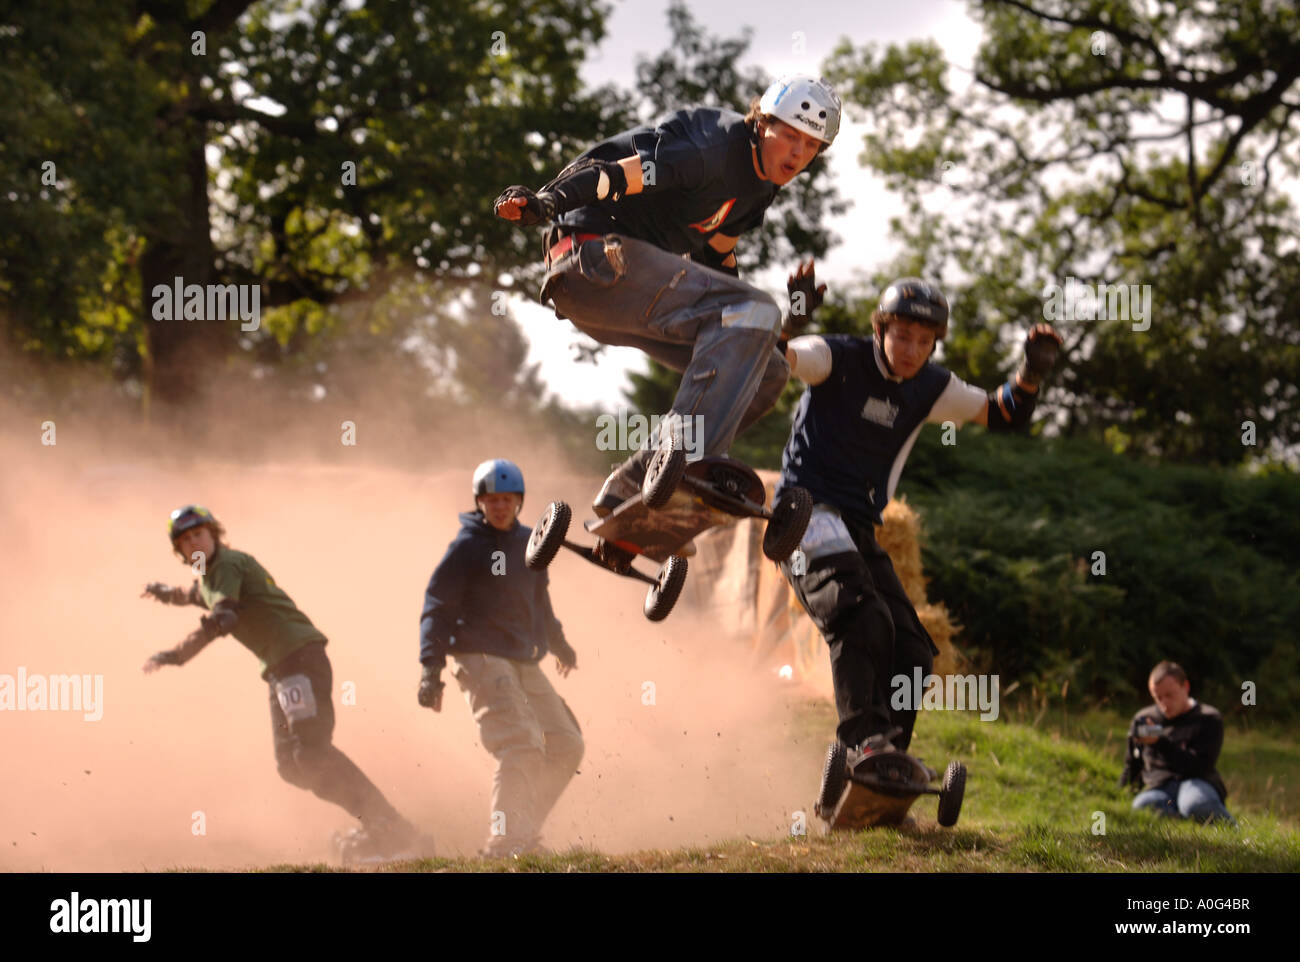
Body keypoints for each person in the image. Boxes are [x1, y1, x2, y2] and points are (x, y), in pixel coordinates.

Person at [771, 278, 1063, 812]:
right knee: (861, 617)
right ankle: (865, 742)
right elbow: (773, 360)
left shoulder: (930, 386)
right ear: (880, 329)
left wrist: (1031, 375)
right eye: (901, 336)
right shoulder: (837, 357)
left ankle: (884, 775)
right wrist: (791, 320)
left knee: (914, 651)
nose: (911, 351)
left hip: (858, 526)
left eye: (924, 343)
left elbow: (1002, 414)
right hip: (803, 514)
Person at [493, 75, 837, 516]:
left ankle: (634, 485)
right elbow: (619, 175)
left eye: (810, 146)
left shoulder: (757, 191)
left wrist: (788, 324)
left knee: (768, 373)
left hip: (625, 294)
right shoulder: (713, 150)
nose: (797, 154)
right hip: (592, 258)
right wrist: (548, 201)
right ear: (762, 122)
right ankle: (680, 463)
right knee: (753, 312)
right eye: (789, 135)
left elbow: (718, 266)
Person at [141, 505, 423, 861]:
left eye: (199, 534)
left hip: (297, 657)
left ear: (214, 534)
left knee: (311, 751)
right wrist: (165, 593)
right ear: (180, 551)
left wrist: (175, 655)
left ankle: (391, 830)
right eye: (185, 541)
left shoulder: (227, 566)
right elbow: (195, 593)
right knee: (291, 765)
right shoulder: (212, 575)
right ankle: (378, 823)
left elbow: (223, 616)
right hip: (280, 667)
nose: (194, 543)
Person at [417, 460, 583, 857]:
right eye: (490, 499)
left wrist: (558, 643)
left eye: (506, 499)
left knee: (565, 744)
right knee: (521, 743)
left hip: (522, 659)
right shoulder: (467, 547)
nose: (499, 506)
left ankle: (523, 834)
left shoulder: (531, 542)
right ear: (479, 502)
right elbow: (437, 606)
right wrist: (430, 669)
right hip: (479, 656)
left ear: (519, 501)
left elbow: (538, 600)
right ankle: (505, 841)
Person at [1120, 660, 1235, 825]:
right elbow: (1132, 763)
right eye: (1158, 697)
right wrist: (1121, 793)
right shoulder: (1144, 720)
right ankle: (1187, 827)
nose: (1164, 703)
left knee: (1195, 805)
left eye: (1169, 695)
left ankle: (1236, 832)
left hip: (1198, 782)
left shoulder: (1208, 718)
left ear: (1185, 687)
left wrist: (1159, 742)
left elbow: (1200, 766)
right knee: (1141, 806)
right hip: (1160, 787)